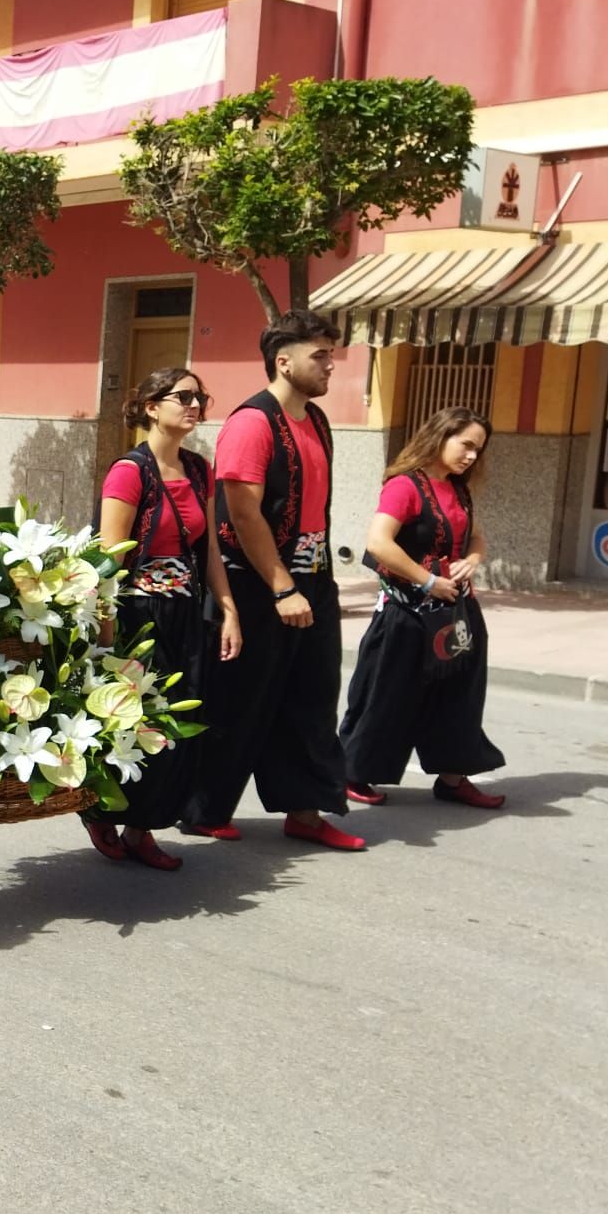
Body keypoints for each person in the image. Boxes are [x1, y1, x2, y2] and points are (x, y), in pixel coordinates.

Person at [184, 310, 363, 851]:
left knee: (312, 698)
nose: (331, 365)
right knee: (241, 701)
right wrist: (282, 586)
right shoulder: (251, 423)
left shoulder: (317, 420)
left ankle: (306, 810)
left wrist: (306, 585)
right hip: (260, 583)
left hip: (315, 579)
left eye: (331, 354)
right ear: (283, 361)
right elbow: (243, 512)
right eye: (320, 355)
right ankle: (204, 808)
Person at [80, 368, 242, 872]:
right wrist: (107, 634)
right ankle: (102, 813)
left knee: (177, 723)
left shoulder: (198, 469)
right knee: (131, 721)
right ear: (151, 406)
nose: (195, 405)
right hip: (137, 613)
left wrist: (229, 609)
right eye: (183, 396)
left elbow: (210, 547)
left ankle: (142, 827)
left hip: (185, 610)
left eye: (201, 397)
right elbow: (109, 557)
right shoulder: (130, 471)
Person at [340, 407, 506, 809]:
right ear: (440, 436)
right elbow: (379, 542)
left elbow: (476, 538)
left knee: (459, 695)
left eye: (478, 450)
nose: (471, 456)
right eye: (465, 445)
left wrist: (474, 560)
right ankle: (353, 773)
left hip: (456, 612)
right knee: (386, 694)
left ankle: (453, 777)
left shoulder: (459, 489)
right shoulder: (405, 486)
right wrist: (428, 580)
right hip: (406, 611)